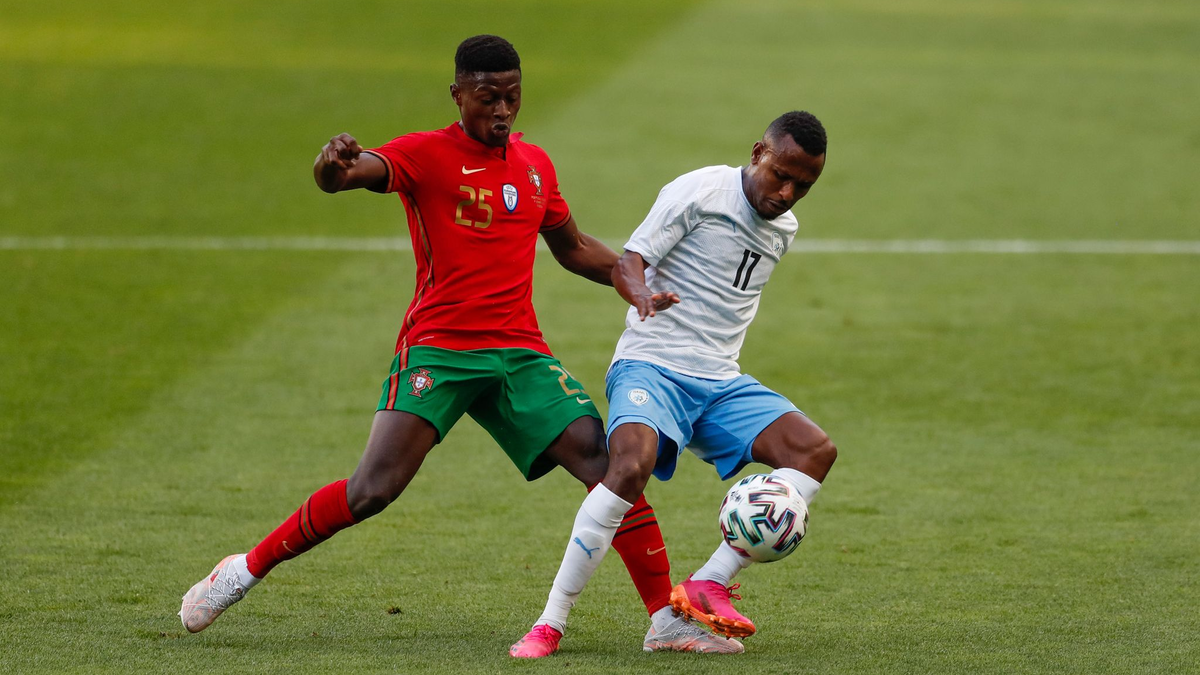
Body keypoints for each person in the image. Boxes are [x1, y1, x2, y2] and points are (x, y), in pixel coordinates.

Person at [179, 35, 737, 654]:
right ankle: (242, 570)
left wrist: (636, 283)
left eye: (512, 97)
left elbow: (573, 248)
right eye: (486, 98)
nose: (501, 110)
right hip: (439, 349)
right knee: (373, 490)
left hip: (519, 354)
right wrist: (331, 164)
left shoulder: (535, 165)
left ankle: (665, 618)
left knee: (609, 467)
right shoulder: (425, 155)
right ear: (458, 96)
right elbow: (348, 175)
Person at [510, 111, 838, 657]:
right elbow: (631, 260)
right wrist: (639, 293)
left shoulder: (784, 229)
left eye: (803, 185)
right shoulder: (698, 191)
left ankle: (707, 583)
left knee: (814, 452)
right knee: (628, 467)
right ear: (758, 152)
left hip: (719, 381)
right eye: (780, 174)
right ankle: (551, 621)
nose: (787, 192)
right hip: (651, 366)